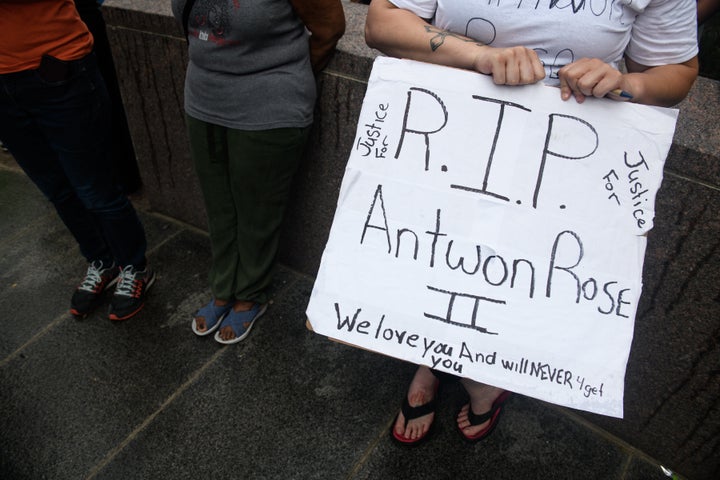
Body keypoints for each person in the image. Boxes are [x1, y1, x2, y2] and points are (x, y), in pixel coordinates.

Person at [365, 0, 698, 445]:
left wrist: (627, 82)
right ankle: (436, 356)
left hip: (568, 153)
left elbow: (674, 72)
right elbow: (382, 22)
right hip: (445, 139)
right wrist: (479, 55)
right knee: (438, 256)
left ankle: (475, 369)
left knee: (513, 274)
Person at [171, 0, 345, 344]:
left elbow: (330, 28)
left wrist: (281, 74)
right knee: (219, 206)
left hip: (269, 100)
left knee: (258, 210)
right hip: (203, 97)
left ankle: (250, 293)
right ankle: (223, 288)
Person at [0, 0, 155, 321]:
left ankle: (135, 267)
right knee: (56, 188)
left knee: (96, 189)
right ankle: (101, 260)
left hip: (55, 69)